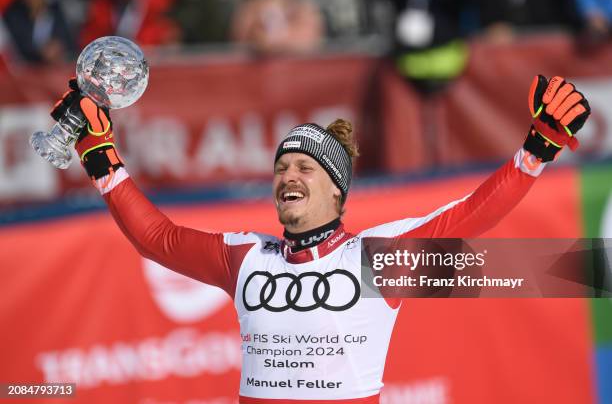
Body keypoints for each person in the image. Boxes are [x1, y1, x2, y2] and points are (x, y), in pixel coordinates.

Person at [50, 74, 590, 403]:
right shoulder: (244, 257)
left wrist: (538, 146)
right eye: (282, 166)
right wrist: (100, 153)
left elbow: (473, 214)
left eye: (305, 168)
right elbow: (157, 239)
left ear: (337, 191)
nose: (288, 176)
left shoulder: (374, 258)